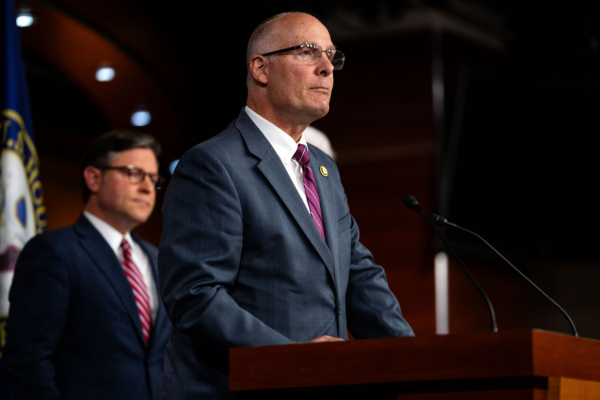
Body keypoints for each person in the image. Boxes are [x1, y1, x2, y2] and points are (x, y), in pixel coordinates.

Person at [157, 12, 414, 399]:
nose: (327, 67)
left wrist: (417, 358)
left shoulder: (323, 169)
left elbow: (359, 277)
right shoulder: (213, 164)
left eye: (331, 56)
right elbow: (195, 294)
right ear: (261, 68)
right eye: (309, 52)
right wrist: (292, 358)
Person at [2, 131, 173, 400]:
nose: (147, 187)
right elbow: (27, 360)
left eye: (153, 178)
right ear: (93, 178)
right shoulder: (53, 251)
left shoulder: (160, 259)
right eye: (133, 173)